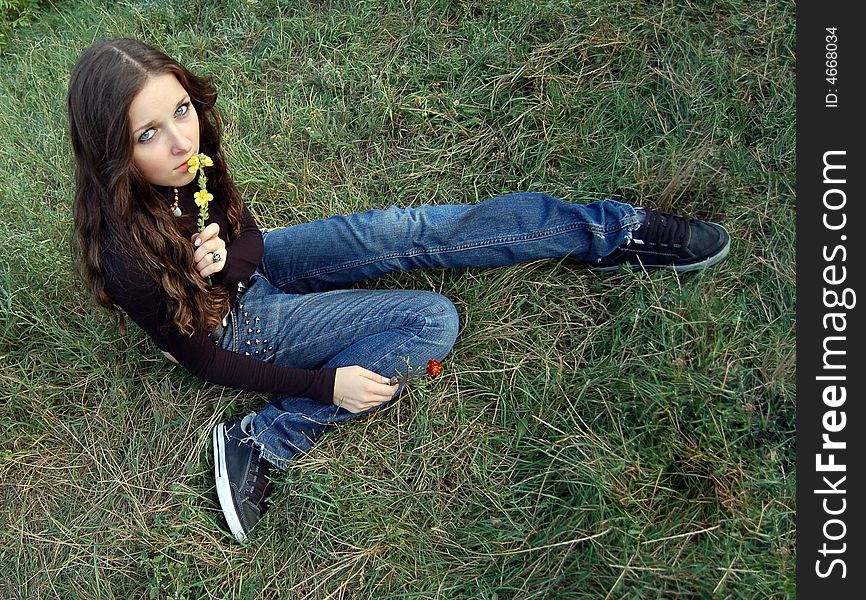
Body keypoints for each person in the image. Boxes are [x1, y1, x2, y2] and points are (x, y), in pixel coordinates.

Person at [67, 38, 730, 543]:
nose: (180, 140)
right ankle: (263, 439)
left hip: (248, 278)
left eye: (180, 110)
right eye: (148, 134)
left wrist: (226, 255)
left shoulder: (193, 158)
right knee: (430, 323)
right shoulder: (130, 255)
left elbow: (253, 241)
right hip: (230, 326)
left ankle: (608, 231)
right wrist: (324, 388)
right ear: (112, 151)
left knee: (401, 229)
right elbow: (203, 360)